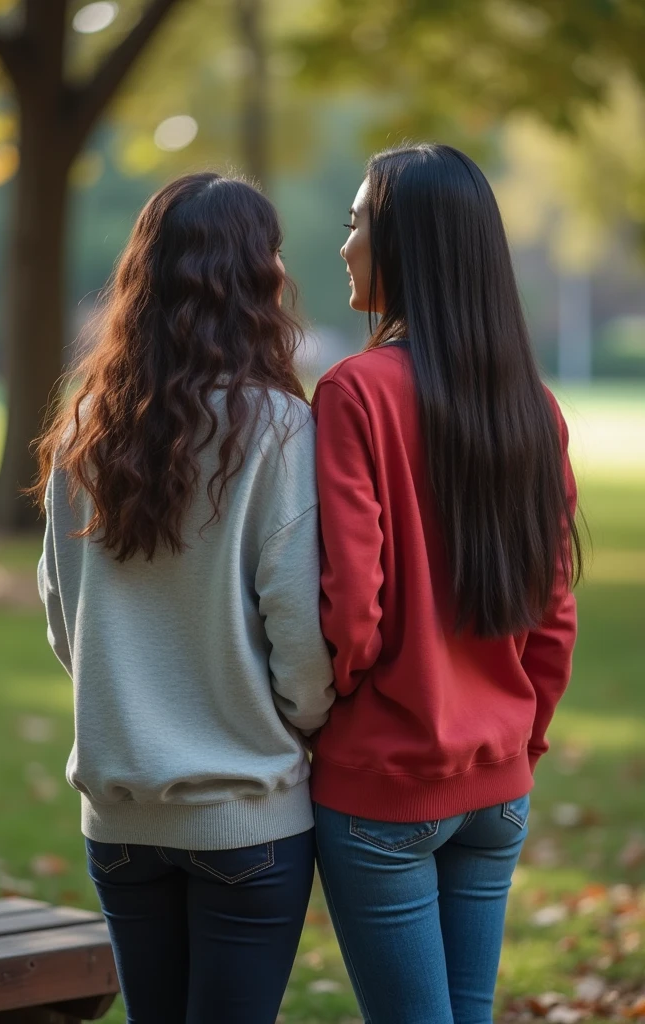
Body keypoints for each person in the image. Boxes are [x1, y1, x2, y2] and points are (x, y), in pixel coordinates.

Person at [33, 172, 334, 1024]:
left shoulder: (84, 426)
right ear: (257, 279)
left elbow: (65, 617)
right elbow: (301, 637)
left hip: (118, 816)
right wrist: (295, 719)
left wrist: (134, 698)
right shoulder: (278, 429)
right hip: (248, 813)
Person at [311, 143, 582, 1024]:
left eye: (356, 224)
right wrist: (518, 741)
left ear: (405, 245)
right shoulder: (533, 407)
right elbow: (555, 611)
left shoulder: (356, 392)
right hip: (497, 788)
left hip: (383, 782)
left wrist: (349, 706)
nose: (342, 243)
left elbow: (354, 607)